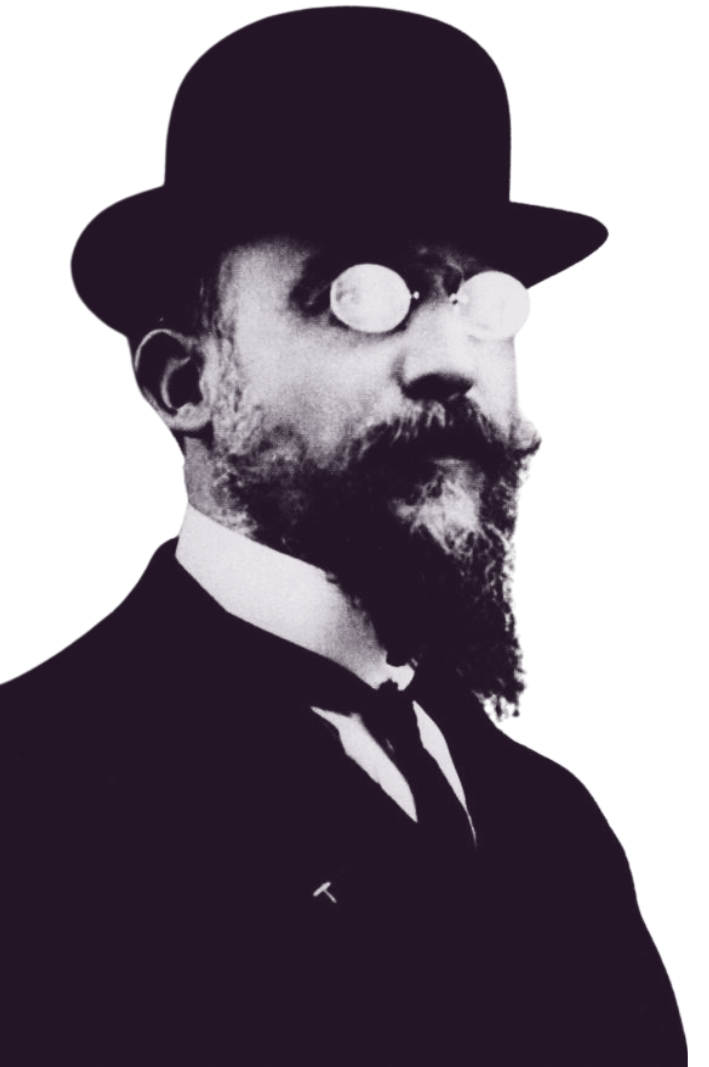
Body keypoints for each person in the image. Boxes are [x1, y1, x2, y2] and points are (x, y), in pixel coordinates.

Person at [3, 9, 686, 1066]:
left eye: (484, 301)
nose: (452, 359)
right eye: (358, 296)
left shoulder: (556, 822)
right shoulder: (31, 795)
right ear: (185, 383)